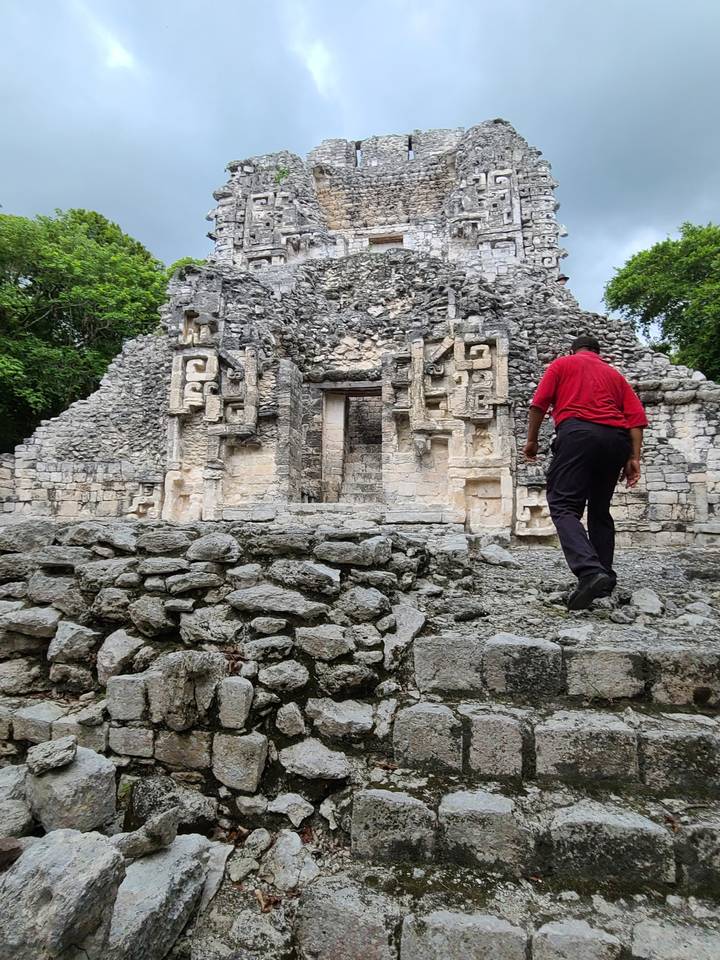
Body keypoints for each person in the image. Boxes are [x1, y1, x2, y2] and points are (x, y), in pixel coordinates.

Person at [524, 335, 648, 610]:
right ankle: (605, 577)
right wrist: (634, 458)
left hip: (578, 434)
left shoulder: (562, 365)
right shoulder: (614, 375)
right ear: (598, 352)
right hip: (616, 441)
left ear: (573, 350)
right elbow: (636, 419)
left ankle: (590, 572)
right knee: (600, 510)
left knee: (563, 506)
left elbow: (538, 404)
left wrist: (531, 441)